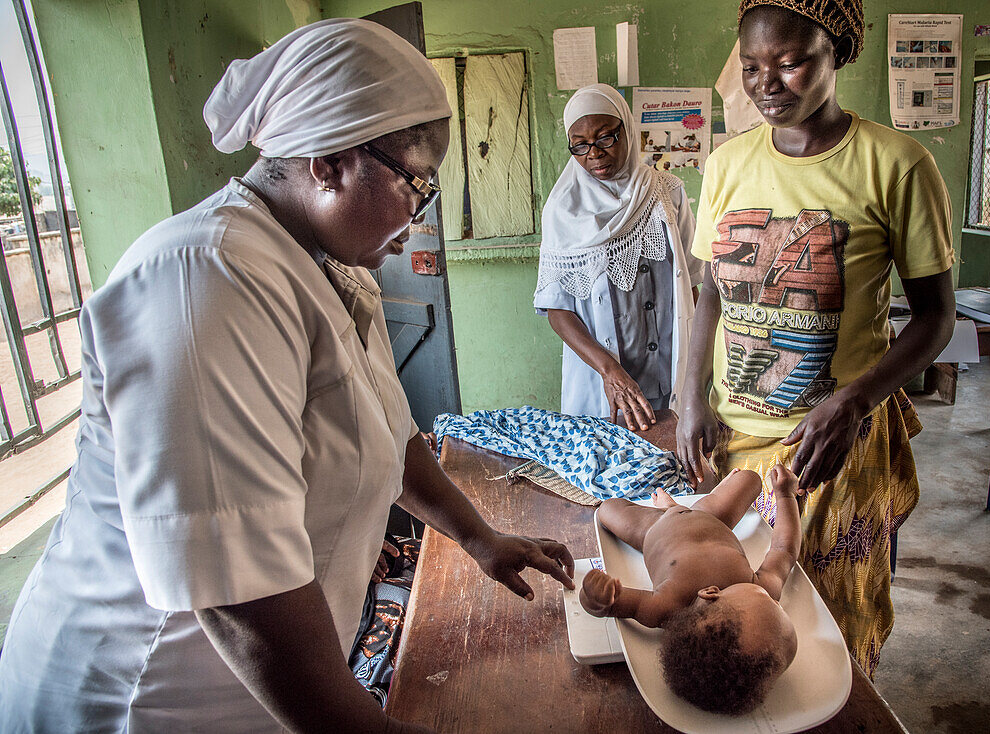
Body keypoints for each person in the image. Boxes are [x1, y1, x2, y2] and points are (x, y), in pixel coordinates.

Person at [0, 19, 574, 733]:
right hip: (150, 697)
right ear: (331, 160)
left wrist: (478, 535)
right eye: (415, 184)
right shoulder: (206, 280)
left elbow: (389, 436)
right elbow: (236, 595)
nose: (419, 214)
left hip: (272, 691)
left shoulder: (326, 266)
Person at [675, 0, 956, 677]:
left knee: (824, 631)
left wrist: (856, 402)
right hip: (735, 442)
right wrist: (689, 396)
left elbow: (935, 317)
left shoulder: (897, 164)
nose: (768, 83)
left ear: (837, 54)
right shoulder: (728, 164)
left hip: (830, 443)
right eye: (751, 67)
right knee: (733, 622)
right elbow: (711, 289)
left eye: (791, 62)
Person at [535, 84, 704, 432]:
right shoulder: (562, 210)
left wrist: (702, 371)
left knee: (679, 476)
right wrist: (609, 372)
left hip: (672, 371)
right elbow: (557, 309)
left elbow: (695, 283)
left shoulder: (667, 192)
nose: (593, 153)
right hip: (607, 383)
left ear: (627, 130)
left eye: (605, 138)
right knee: (611, 476)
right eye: (580, 144)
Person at [580, 464, 801, 714]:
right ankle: (674, 505)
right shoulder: (763, 586)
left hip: (654, 530)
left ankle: (669, 508)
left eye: (770, 603)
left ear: (710, 594)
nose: (775, 598)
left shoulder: (665, 607)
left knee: (607, 508)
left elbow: (611, 606)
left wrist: (596, 597)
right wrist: (785, 495)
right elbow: (785, 550)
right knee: (750, 480)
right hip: (713, 519)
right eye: (778, 606)